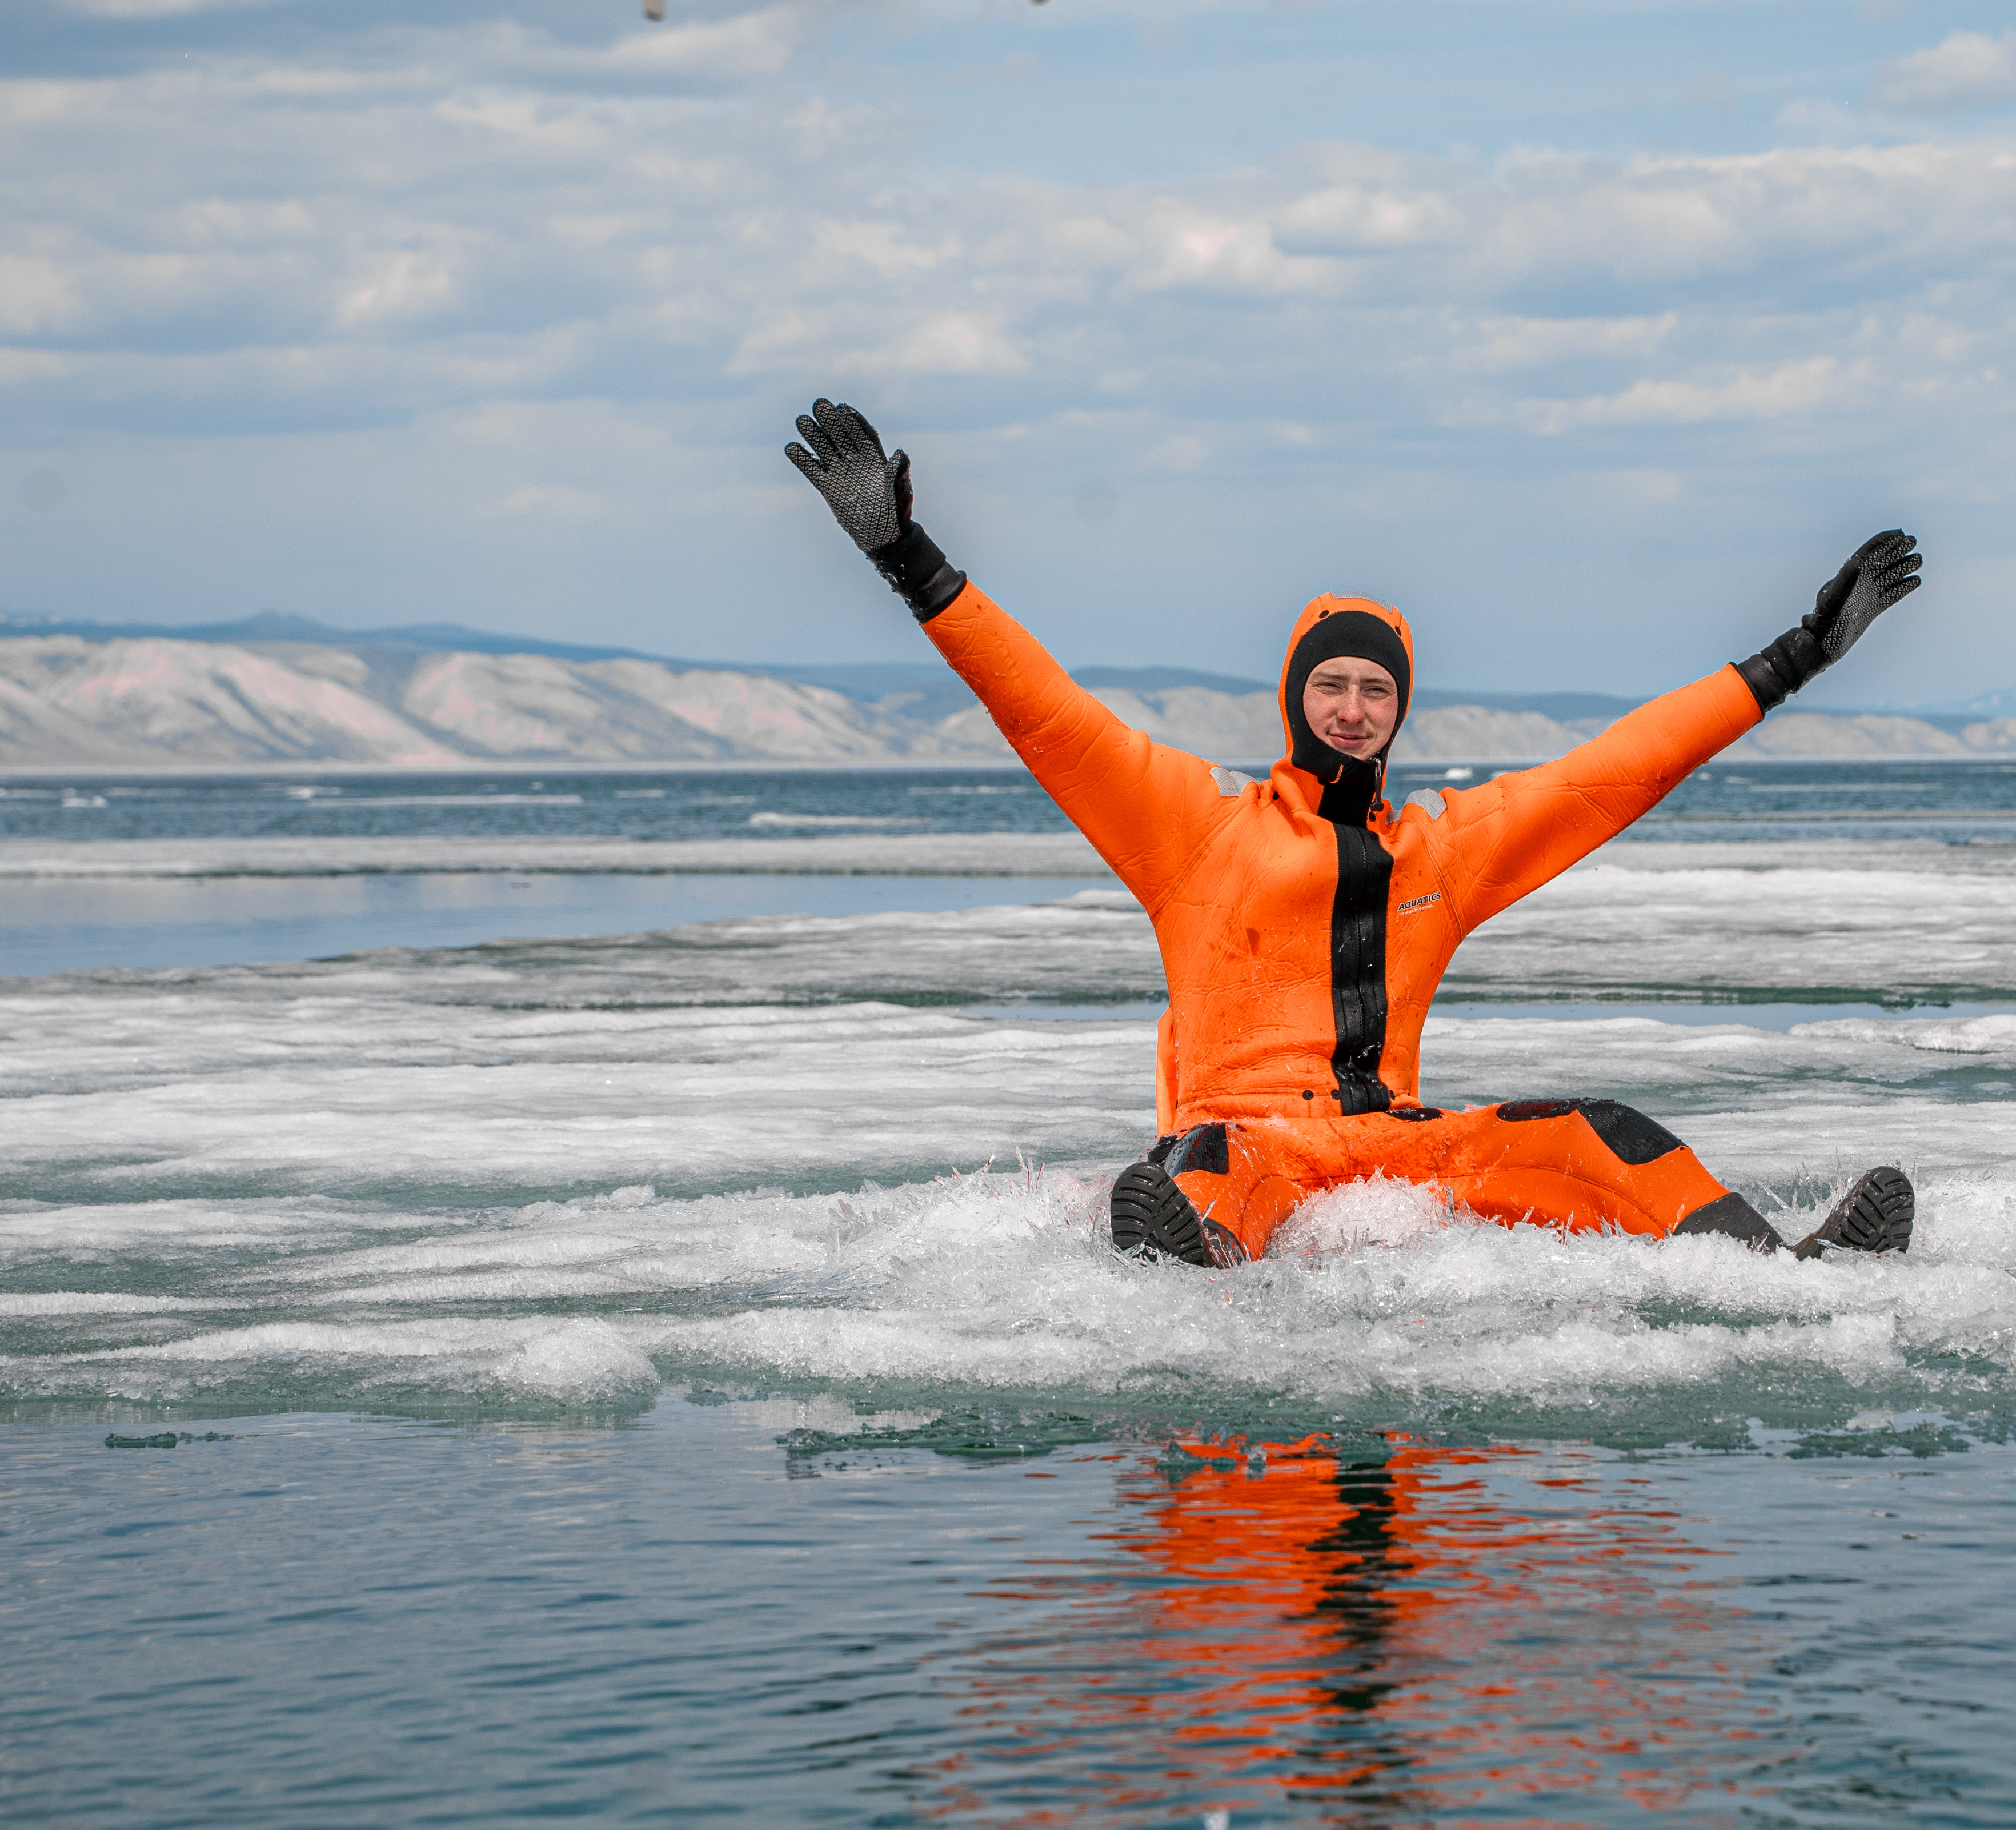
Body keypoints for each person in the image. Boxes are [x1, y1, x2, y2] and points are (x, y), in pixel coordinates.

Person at [786, 398, 1925, 1267]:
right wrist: (906, 558)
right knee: (1198, 1166)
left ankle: (1789, 1272)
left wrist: (1797, 656)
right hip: (1250, 1143)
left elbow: (1615, 771)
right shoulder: (1195, 828)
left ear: (1399, 709)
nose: (1352, 707)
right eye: (1329, 684)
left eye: (1376, 690)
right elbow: (1044, 712)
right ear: (1296, 696)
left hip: (1399, 1144)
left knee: (1602, 1130)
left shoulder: (1442, 849)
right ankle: (1187, 1260)